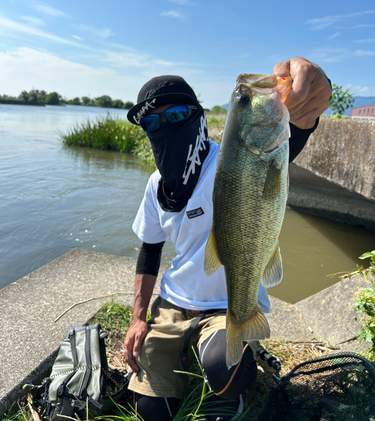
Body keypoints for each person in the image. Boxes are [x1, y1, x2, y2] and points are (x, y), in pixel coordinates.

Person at [124, 58, 332, 421]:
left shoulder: (230, 159)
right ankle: (185, 348)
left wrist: (306, 107)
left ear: (197, 115)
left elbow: (290, 135)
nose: (162, 127)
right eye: (151, 123)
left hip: (226, 304)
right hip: (172, 303)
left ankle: (223, 360)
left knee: (228, 372)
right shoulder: (157, 185)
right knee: (152, 411)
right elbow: (149, 250)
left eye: (173, 116)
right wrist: (138, 317)